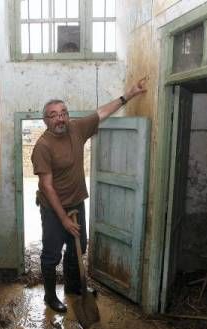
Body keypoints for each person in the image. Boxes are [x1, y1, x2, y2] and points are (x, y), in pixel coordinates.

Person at [31, 78, 147, 313]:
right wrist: (63, 218)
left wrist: (130, 95)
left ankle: (74, 288)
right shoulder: (43, 147)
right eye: (53, 115)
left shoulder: (76, 129)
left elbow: (102, 112)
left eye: (63, 113)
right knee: (52, 253)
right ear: (46, 120)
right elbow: (47, 187)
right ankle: (50, 296)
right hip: (53, 208)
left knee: (78, 247)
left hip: (76, 203)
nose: (60, 118)